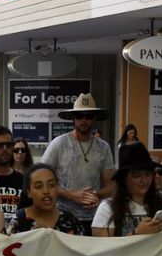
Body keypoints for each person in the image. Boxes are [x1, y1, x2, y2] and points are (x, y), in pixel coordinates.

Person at [41, 93, 114, 235]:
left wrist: (93, 195)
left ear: (95, 118)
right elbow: (42, 180)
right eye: (80, 116)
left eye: (89, 116)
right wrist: (72, 195)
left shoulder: (103, 147)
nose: (84, 120)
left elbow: (110, 186)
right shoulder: (59, 143)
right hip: (62, 215)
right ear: (73, 118)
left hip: (95, 217)